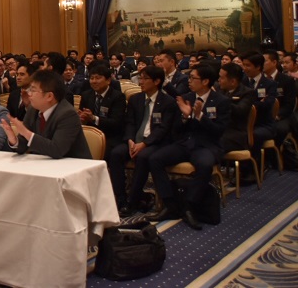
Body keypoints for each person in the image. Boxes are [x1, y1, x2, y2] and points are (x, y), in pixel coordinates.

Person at [146, 64, 230, 230]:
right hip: (185, 143)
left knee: (205, 165)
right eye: (189, 77)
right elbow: (176, 129)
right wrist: (185, 117)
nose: (189, 81)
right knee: (155, 159)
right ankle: (170, 205)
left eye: (193, 78)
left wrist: (199, 116)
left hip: (206, 145)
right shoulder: (186, 98)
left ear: (205, 81)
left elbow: (219, 131)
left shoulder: (221, 101)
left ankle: (189, 206)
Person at [108, 65, 177, 216]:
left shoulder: (168, 102)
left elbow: (163, 129)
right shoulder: (136, 99)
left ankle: (133, 201)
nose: (141, 81)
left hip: (155, 142)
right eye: (140, 78)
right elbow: (130, 122)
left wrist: (145, 144)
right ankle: (120, 199)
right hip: (135, 140)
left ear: (157, 81)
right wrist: (130, 140)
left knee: (143, 156)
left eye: (145, 78)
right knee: (116, 153)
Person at [1, 70, 92, 159]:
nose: (29, 94)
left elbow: (57, 150)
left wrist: (26, 132)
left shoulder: (68, 114)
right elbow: (23, 145)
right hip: (45, 164)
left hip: (75, 165)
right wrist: (14, 140)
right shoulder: (33, 109)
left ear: (49, 96)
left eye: (33, 90)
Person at [78, 64, 127, 159]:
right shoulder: (86, 95)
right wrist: (82, 118)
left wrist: (94, 118)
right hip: (89, 134)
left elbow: (116, 123)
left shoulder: (118, 97)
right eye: (91, 78)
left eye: (98, 78)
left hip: (111, 135)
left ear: (108, 80)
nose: (94, 81)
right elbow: (83, 118)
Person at [217, 63, 255, 154]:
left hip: (236, 132)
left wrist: (222, 100)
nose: (218, 80)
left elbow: (240, 111)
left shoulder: (247, 93)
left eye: (221, 78)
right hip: (220, 128)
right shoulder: (219, 89)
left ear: (233, 81)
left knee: (214, 143)